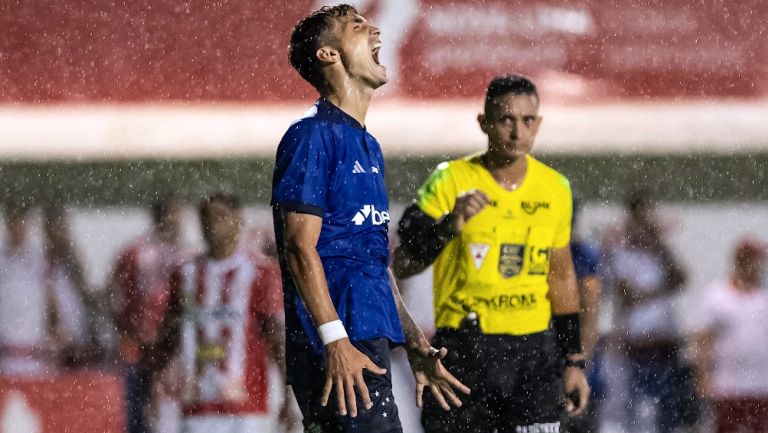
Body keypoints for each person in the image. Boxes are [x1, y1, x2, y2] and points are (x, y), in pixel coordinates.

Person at [271, 5, 469, 432]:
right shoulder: (311, 135)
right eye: (358, 27)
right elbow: (298, 248)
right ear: (329, 55)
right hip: (339, 347)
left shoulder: (367, 144)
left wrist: (414, 341)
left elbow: (372, 261)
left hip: (364, 339)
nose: (376, 28)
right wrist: (334, 341)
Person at [393, 75, 590, 433]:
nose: (517, 132)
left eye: (527, 121)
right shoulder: (450, 180)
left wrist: (573, 360)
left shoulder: (555, 188)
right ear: (483, 122)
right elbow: (403, 261)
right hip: (466, 348)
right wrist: (450, 224)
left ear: (539, 124)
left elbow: (560, 276)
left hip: (534, 353)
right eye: (506, 120)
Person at [146, 193, 293, 433]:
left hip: (246, 406)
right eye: (207, 217)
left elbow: (276, 338)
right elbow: (169, 334)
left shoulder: (260, 273)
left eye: (221, 217)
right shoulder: (184, 274)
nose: (213, 224)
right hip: (196, 403)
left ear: (238, 222)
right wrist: (154, 382)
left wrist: (287, 396)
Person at [608, 191, 691, 433]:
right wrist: (660, 290)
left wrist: (660, 247)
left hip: (665, 340)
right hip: (638, 342)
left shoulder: (660, 252)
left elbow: (682, 278)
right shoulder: (622, 252)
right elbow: (628, 296)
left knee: (668, 412)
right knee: (637, 412)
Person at [108, 195, 191, 433]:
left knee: (179, 414)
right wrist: (133, 335)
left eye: (176, 215)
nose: (173, 221)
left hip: (177, 353)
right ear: (158, 216)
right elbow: (117, 300)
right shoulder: (135, 253)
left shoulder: (190, 255)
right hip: (140, 353)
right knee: (141, 417)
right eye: (168, 215)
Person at [692, 238, 768, 433]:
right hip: (728, 386)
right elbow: (704, 340)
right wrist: (703, 377)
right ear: (740, 261)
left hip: (761, 386)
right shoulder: (716, 296)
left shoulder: (763, 297)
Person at [0, 202, 59, 376]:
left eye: (21, 222)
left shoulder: (38, 262)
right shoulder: (2, 261)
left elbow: (51, 302)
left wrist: (55, 329)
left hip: (34, 357)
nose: (18, 228)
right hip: (5, 357)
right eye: (14, 222)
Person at [564, 200, 603, 433]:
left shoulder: (581, 254)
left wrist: (580, 365)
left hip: (572, 365)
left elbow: (589, 314)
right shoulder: (581, 253)